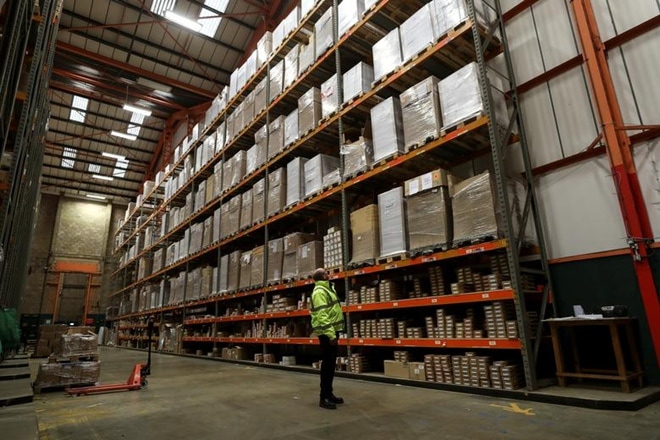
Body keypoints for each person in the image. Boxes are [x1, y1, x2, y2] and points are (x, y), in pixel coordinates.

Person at [310, 267, 345, 409]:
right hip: (326, 333)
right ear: (323, 277)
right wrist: (331, 335)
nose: (329, 274)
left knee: (330, 365)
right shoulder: (319, 292)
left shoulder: (328, 289)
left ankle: (329, 394)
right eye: (326, 273)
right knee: (327, 365)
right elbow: (322, 315)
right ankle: (323, 397)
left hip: (331, 331)